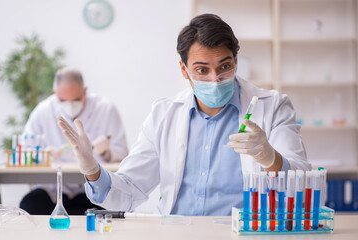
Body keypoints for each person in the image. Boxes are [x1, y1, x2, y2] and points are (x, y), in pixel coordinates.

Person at [58, 14, 311, 216]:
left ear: (236, 60)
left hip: (245, 234)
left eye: (225, 66)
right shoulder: (164, 114)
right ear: (183, 69)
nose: (215, 79)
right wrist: (92, 169)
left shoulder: (273, 107)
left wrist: (271, 159)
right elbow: (129, 192)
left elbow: (305, 187)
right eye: (202, 70)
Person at [20, 67, 129, 215]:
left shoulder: (105, 109)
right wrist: (42, 155)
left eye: (76, 99)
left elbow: (123, 153)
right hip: (54, 189)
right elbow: (24, 151)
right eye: (63, 100)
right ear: (55, 92)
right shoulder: (43, 111)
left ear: (85, 91)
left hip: (93, 190)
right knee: (30, 205)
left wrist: (106, 152)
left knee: (112, 210)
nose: (70, 105)